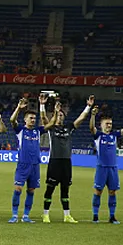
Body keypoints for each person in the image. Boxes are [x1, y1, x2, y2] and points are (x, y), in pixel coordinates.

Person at [40, 94, 92, 224]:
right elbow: (43, 118)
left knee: (65, 190)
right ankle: (45, 214)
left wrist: (88, 107)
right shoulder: (51, 128)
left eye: (62, 115)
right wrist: (42, 105)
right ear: (54, 116)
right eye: (58, 114)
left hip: (66, 162)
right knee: (50, 189)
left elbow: (81, 118)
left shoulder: (69, 127)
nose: (60, 116)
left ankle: (67, 215)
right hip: (55, 161)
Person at [8, 98, 57, 223]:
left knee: (31, 191)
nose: (33, 120)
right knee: (18, 189)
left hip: (35, 165)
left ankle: (25, 216)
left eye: (34, 118)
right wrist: (19, 107)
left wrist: (54, 112)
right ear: (25, 119)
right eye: (31, 118)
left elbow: (51, 124)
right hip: (23, 165)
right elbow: (12, 120)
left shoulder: (37, 131)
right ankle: (14, 215)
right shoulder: (20, 130)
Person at [89, 104, 123, 224]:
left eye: (110, 124)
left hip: (113, 168)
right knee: (98, 191)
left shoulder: (114, 136)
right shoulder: (98, 136)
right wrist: (92, 115)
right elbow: (91, 127)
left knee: (112, 191)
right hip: (102, 168)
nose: (109, 125)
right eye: (107, 123)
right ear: (101, 125)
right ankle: (95, 216)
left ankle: (112, 216)